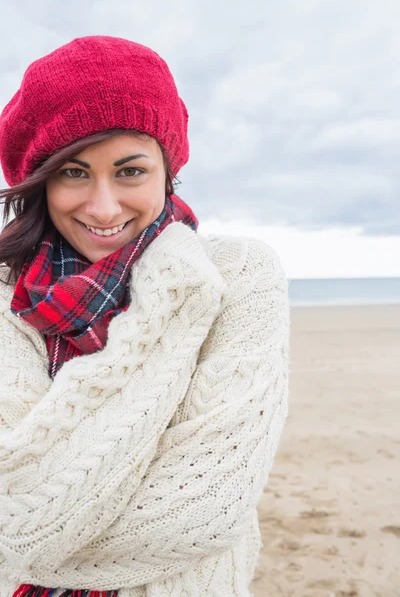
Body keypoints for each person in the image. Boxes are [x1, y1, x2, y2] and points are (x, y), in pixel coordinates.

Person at [0, 36, 289, 597]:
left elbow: (208, 509)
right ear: (40, 180)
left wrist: (43, 523)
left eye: (130, 171)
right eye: (74, 173)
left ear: (167, 169)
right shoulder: (3, 295)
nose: (103, 207)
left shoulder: (237, 276)